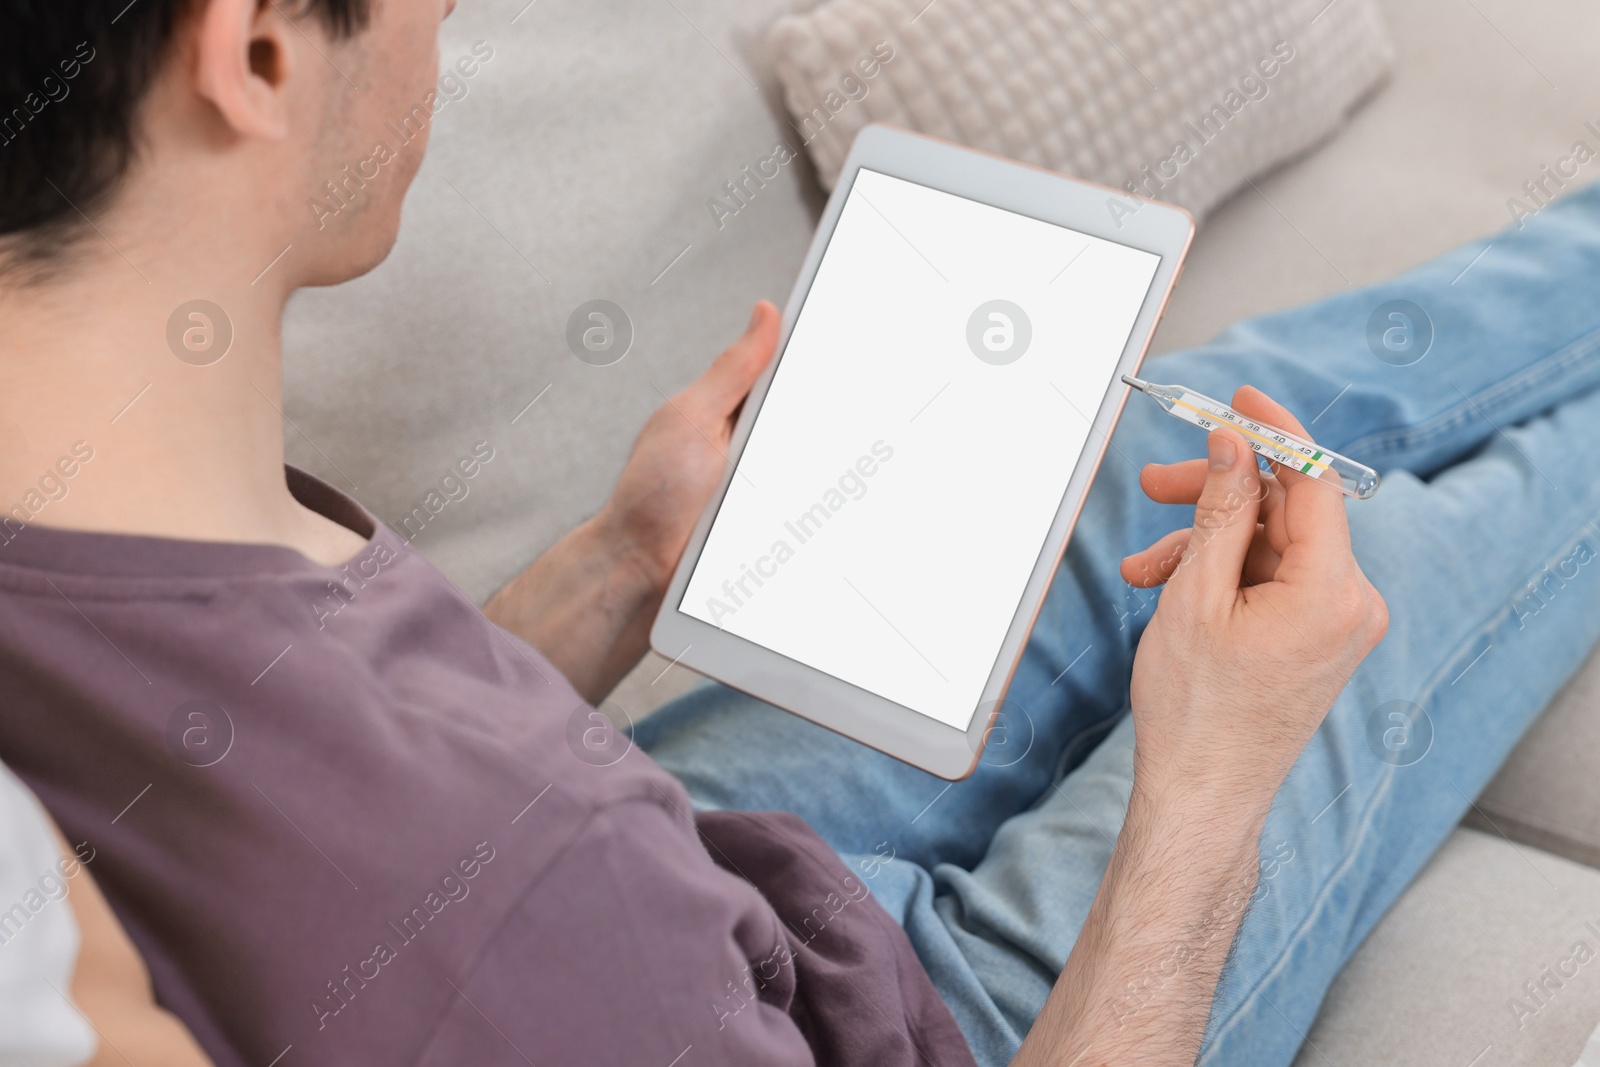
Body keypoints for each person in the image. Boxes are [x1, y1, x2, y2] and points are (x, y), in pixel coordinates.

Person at [1, 1, 1597, 1065]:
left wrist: (620, 564)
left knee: (1142, 436)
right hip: (947, 1029)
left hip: (683, 881)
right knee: (1428, 555)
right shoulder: (519, 920)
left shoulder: (110, 509)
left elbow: (301, 801)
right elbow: (435, 892)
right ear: (260, 49)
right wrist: (1213, 776)